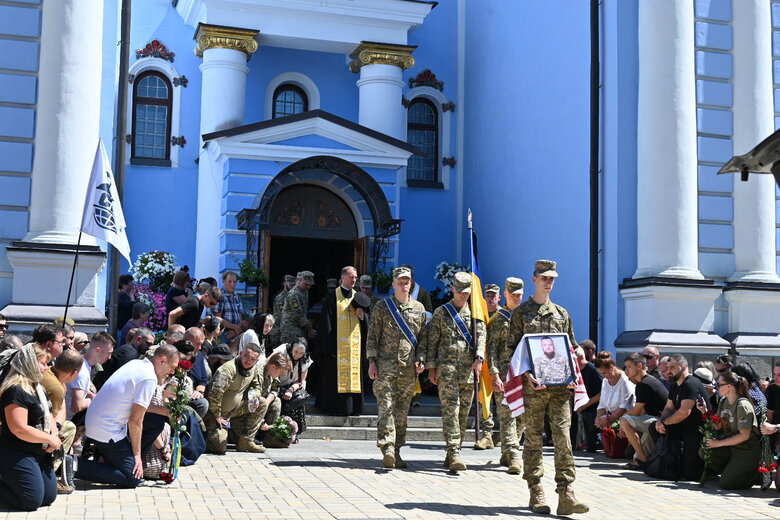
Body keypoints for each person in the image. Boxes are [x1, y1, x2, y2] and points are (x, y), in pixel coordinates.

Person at [505, 259, 588, 516]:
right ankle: (536, 488)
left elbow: (571, 348)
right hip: (535, 389)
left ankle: (566, 493)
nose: (548, 282)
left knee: (563, 437)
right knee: (533, 438)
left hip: (561, 389)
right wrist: (527, 374)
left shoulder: (561, 314)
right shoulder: (521, 313)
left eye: (552, 278)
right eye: (544, 278)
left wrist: (579, 357)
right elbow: (512, 350)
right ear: (534, 279)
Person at [75, 344, 180, 488]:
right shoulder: (148, 378)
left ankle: (108, 461)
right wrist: (137, 457)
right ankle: (73, 464)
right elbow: (135, 421)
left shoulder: (137, 363)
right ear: (162, 360)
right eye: (172, 367)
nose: (172, 372)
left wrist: (165, 410)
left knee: (155, 421)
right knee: (132, 478)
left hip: (97, 421)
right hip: (106, 430)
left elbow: (136, 405)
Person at [366, 267, 427, 469]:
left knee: (401, 412)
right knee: (386, 408)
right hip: (385, 368)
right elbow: (372, 336)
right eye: (400, 282)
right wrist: (372, 361)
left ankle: (397, 450)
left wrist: (422, 359)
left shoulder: (418, 309)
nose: (403, 285)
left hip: (408, 370)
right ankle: (387, 448)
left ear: (411, 283)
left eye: (406, 281)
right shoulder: (382, 307)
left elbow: (423, 339)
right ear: (393, 284)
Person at [426, 271, 485, 472]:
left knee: (463, 414)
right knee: (451, 411)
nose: (463, 295)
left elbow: (482, 338)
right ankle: (454, 452)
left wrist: (479, 357)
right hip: (447, 370)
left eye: (466, 292)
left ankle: (454, 450)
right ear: (453, 289)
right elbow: (432, 342)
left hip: (468, 372)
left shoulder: (475, 314)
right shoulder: (442, 313)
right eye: (459, 291)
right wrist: (431, 368)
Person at [0, 343, 60, 511]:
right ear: (30, 363)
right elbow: (19, 428)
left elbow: (47, 415)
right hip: (16, 451)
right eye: (43, 363)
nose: (47, 368)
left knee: (48, 497)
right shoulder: (15, 390)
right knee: (30, 501)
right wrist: (49, 438)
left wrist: (54, 434)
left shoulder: (37, 387)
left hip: (37, 451)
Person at [697, 370, 761, 489]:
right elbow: (718, 425)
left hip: (746, 449)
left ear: (729, 386)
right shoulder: (724, 401)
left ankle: (756, 475)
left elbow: (744, 435)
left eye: (718, 385)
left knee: (726, 484)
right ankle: (733, 471)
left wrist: (718, 443)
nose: (716, 388)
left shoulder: (742, 405)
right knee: (704, 451)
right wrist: (704, 411)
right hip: (731, 446)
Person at [487, 277, 526, 473]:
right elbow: (491, 349)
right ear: (505, 295)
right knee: (508, 415)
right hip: (504, 375)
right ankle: (513, 455)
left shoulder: (527, 317)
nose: (517, 298)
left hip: (524, 375)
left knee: (523, 417)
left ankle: (507, 449)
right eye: (513, 295)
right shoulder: (498, 319)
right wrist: (494, 374)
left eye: (520, 295)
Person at [651, 354, 709, 482]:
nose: (668, 371)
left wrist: (665, 422)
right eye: (667, 367)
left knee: (691, 475)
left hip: (696, 431)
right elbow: (669, 407)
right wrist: (661, 422)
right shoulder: (675, 384)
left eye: (672, 367)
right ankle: (667, 462)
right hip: (682, 428)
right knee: (653, 427)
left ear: (683, 367)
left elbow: (684, 412)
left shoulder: (691, 384)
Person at [316, 267, 366, 416]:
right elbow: (326, 323)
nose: (354, 280)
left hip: (354, 348)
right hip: (337, 347)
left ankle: (354, 408)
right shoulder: (332, 297)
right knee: (333, 377)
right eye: (351, 277)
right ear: (343, 277)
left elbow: (366, 321)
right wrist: (329, 346)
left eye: (356, 277)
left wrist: (363, 317)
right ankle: (334, 408)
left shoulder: (359, 297)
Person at [203, 343, 267, 454]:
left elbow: (256, 386)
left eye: (252, 359)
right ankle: (208, 435)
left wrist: (254, 397)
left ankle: (246, 441)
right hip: (215, 413)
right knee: (219, 447)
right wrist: (217, 415)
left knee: (262, 402)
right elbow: (215, 394)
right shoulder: (228, 369)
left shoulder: (254, 369)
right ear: (241, 353)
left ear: (256, 361)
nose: (248, 361)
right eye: (246, 356)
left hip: (235, 411)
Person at [40, 349, 82, 494]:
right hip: (36, 431)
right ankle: (47, 471)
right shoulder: (56, 387)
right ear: (74, 373)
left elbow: (60, 411)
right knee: (69, 428)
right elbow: (53, 417)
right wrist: (55, 434)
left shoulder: (50, 374)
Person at [619, 352, 668, 470]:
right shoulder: (644, 383)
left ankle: (642, 459)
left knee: (625, 420)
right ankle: (642, 459)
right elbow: (642, 412)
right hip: (654, 421)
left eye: (629, 366)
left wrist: (622, 422)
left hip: (661, 422)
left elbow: (636, 412)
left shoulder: (645, 384)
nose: (627, 371)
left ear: (640, 366)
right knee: (633, 454)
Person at [65, 332, 114, 426]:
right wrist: (93, 400)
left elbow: (81, 390)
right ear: (98, 350)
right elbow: (76, 406)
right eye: (109, 353)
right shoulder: (82, 371)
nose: (110, 357)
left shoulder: (85, 365)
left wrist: (92, 395)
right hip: (67, 421)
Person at [275, 337, 314, 434]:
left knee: (297, 401)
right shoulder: (282, 351)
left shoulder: (305, 359)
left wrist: (291, 390)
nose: (297, 355)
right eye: (295, 352)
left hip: (293, 387)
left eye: (301, 353)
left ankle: (294, 432)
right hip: (278, 384)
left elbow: (301, 380)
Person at [571, 346, 602, 453]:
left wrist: (584, 405)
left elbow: (602, 393)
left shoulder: (592, 370)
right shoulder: (574, 371)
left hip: (592, 409)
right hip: (580, 409)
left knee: (591, 446)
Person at [593, 351, 635, 431]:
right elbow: (602, 404)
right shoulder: (605, 381)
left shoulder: (625, 380)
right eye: (601, 373)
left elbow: (624, 406)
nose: (602, 376)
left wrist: (609, 420)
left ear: (612, 367)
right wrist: (598, 419)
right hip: (610, 420)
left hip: (626, 420)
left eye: (604, 372)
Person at [183, 327, 210, 419]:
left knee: (203, 403)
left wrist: (199, 392)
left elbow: (203, 379)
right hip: (177, 393)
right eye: (197, 344)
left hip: (193, 394)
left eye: (201, 344)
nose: (200, 348)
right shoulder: (177, 355)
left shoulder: (199, 356)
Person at [280, 271, 315, 344]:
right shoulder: (294, 294)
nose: (308, 287)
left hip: (299, 328)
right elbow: (299, 315)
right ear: (299, 281)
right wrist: (309, 329)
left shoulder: (304, 292)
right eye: (306, 284)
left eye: (310, 285)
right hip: (290, 330)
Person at [213, 270, 244, 341]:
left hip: (235, 334)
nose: (232, 284)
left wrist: (236, 330)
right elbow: (217, 318)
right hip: (223, 334)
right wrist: (235, 327)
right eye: (229, 281)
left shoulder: (237, 296)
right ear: (223, 282)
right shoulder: (219, 296)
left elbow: (240, 316)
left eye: (234, 282)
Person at [269, 274, 295, 350]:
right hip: (278, 332)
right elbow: (283, 315)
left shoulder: (291, 296)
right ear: (284, 283)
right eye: (290, 283)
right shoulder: (280, 297)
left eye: (293, 284)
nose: (292, 285)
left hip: (285, 331)